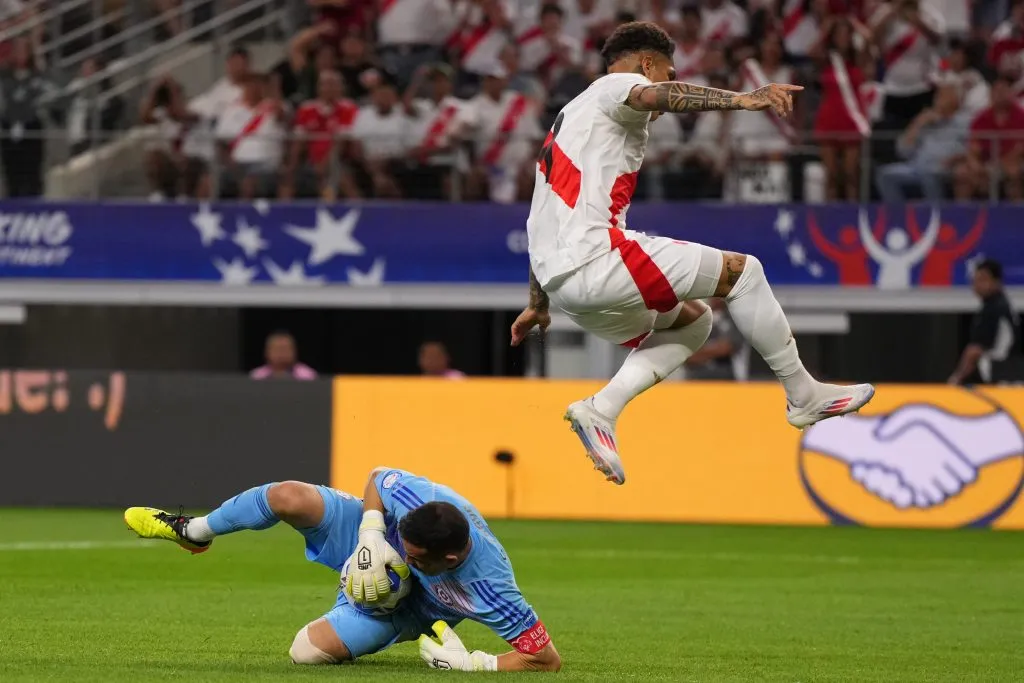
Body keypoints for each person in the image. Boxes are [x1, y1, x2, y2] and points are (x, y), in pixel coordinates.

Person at [510, 21, 875, 485]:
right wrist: (744, 100)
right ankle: (803, 394)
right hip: (597, 259)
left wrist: (538, 304)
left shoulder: (566, 122)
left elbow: (540, 216)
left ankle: (601, 409)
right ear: (647, 64)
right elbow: (651, 95)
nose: (665, 80)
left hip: (564, 286)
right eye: (666, 71)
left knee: (695, 320)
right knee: (743, 272)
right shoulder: (620, 85)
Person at [123, 467, 561, 671]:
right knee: (288, 495)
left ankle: (379, 615)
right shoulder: (418, 498)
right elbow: (377, 479)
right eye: (403, 548)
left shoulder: (489, 587)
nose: (405, 557)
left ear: (448, 560)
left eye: (415, 557)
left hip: (402, 609)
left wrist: (475, 666)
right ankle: (194, 531)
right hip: (364, 533)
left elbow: (544, 659)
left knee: (305, 652)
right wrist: (372, 534)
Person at [874, 82, 969, 202]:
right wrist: (918, 123)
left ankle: (936, 215)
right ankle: (899, 216)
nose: (937, 99)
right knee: (885, 175)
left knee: (929, 175)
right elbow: (903, 151)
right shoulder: (926, 120)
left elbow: (971, 149)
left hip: (945, 168)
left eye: (943, 95)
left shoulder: (964, 122)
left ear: (957, 100)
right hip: (916, 167)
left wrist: (956, 159)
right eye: (937, 95)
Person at [948, 259, 1021, 385]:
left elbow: (974, 350)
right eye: (975, 280)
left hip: (1000, 374)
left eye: (983, 279)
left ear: (996, 282)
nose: (977, 284)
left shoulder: (994, 308)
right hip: (1008, 374)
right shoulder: (1001, 305)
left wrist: (956, 378)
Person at [250, 331, 317, 380]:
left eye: (285, 349)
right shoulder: (256, 376)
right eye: (277, 349)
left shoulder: (308, 376)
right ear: (267, 352)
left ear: (294, 351)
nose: (281, 353)